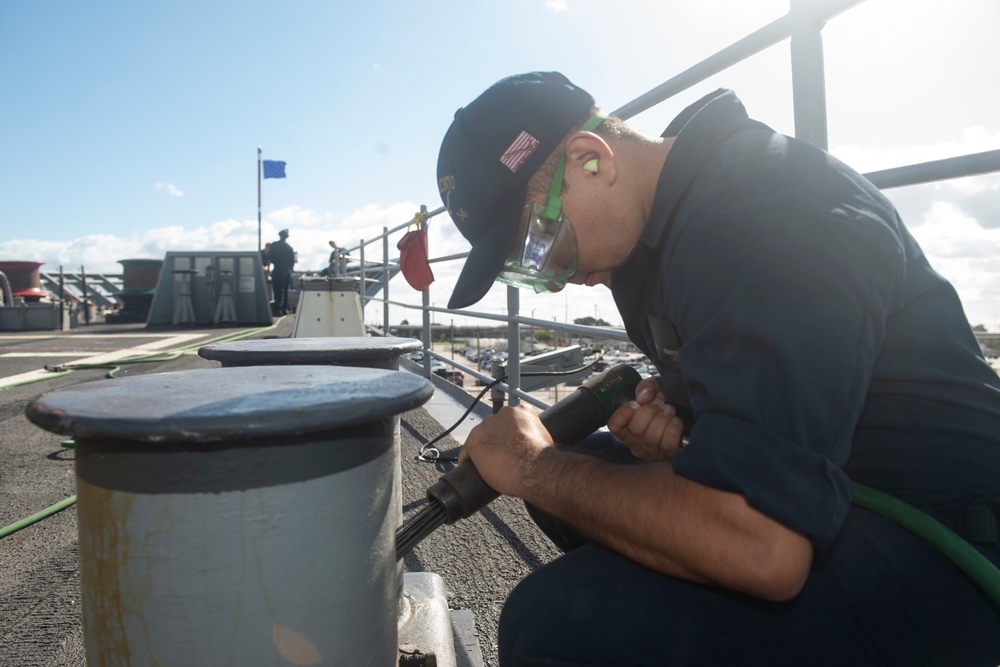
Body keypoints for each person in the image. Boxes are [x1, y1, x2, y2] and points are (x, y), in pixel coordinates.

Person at [436, 71, 1000, 665]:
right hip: (837, 499)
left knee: (553, 624)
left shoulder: (763, 213)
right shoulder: (655, 241)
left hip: (951, 540)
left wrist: (529, 465)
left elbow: (764, 547)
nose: (549, 283)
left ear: (592, 160)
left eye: (536, 246)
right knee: (575, 479)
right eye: (522, 271)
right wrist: (681, 439)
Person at [267, 229, 295, 315]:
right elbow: (292, 263)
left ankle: (278, 308)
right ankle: (284, 309)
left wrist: (268, 269)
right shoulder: (289, 248)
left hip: (278, 269)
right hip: (287, 270)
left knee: (277, 289)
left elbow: (269, 259)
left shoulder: (274, 245)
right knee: (286, 290)